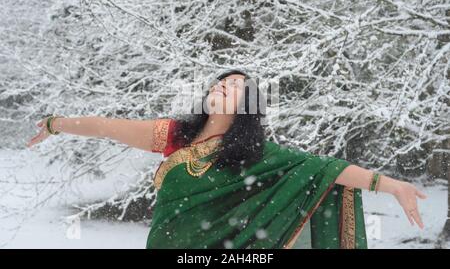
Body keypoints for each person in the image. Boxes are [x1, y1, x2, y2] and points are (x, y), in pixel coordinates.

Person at [26, 70, 426, 249]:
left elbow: (327, 170)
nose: (222, 85)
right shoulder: (175, 136)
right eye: (220, 81)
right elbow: (107, 126)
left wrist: (392, 185)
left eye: (235, 85)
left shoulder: (257, 155)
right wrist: (55, 123)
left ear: (249, 104)